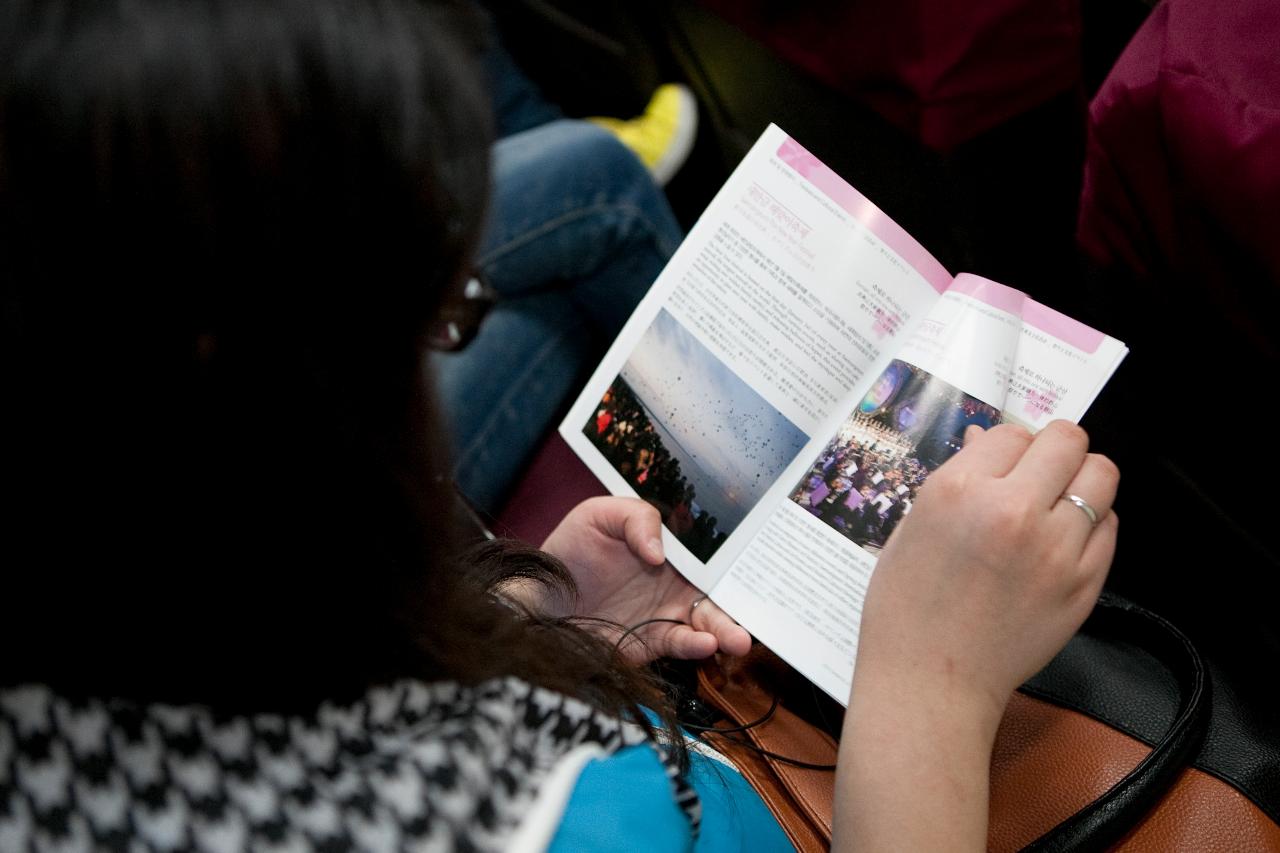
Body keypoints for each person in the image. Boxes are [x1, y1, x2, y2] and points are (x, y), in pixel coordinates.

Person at [0, 1, 1119, 850]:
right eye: (436, 324)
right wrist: (928, 686)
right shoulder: (591, 824)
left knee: (590, 173)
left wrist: (522, 617)